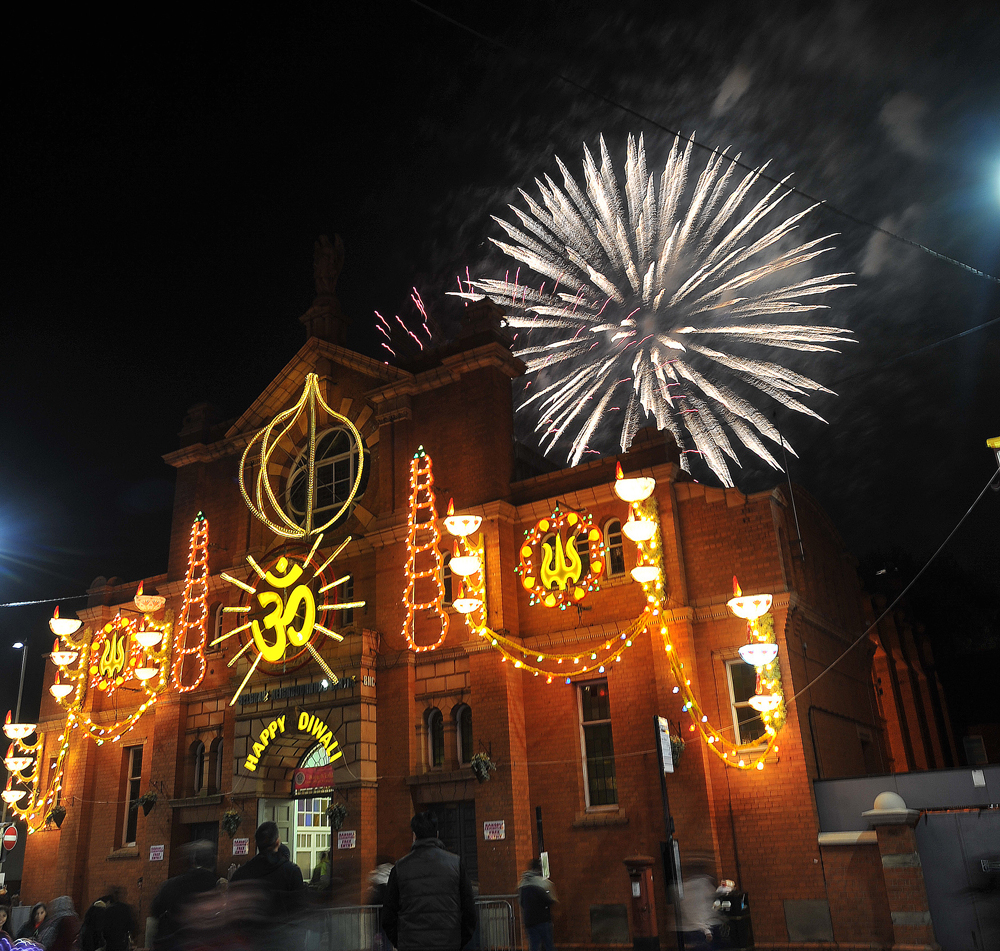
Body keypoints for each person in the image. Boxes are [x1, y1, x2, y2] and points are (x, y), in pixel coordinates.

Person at [382, 812, 476, 951]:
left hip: (411, 944)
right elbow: (469, 911)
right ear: (437, 834)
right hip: (448, 943)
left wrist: (401, 941)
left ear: (414, 836)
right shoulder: (455, 863)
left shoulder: (400, 868)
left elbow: (388, 915)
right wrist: (457, 940)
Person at [150, 840, 218, 951]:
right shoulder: (218, 887)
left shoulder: (172, 884)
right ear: (213, 861)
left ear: (193, 861)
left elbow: (155, 909)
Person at [230, 821, 307, 918]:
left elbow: (233, 911)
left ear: (256, 844)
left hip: (253, 931)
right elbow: (299, 912)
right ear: (278, 842)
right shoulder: (292, 871)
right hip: (283, 930)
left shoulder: (241, 873)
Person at [676, 858, 721, 949]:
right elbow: (713, 907)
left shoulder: (683, 888)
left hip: (689, 930)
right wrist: (707, 930)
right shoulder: (705, 886)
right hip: (705, 931)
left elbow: (684, 911)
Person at [518, 859, 557, 951]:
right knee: (548, 945)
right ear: (539, 868)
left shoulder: (522, 883)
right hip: (543, 919)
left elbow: (521, 902)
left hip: (529, 920)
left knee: (534, 945)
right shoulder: (543, 883)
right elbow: (551, 899)